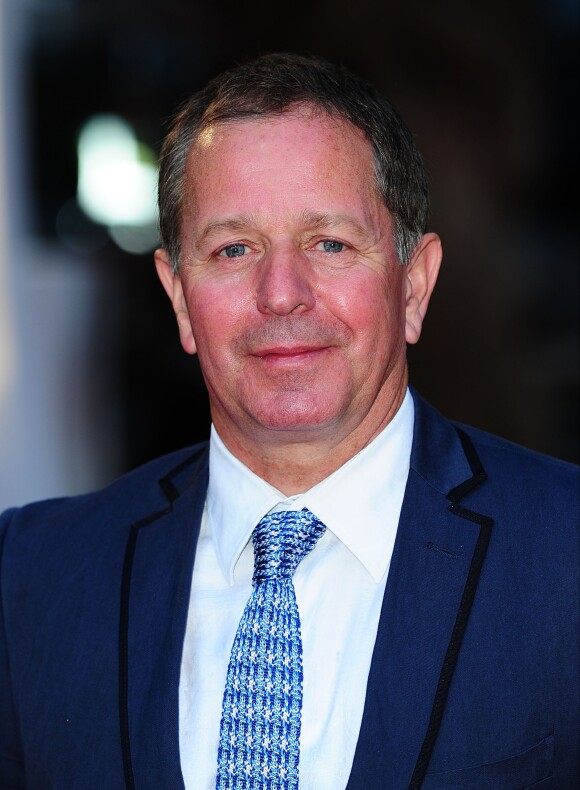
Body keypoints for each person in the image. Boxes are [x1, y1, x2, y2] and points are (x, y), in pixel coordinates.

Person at [0, 53, 577, 790]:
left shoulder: (565, 556)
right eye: (234, 249)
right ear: (178, 297)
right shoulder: (33, 579)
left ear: (414, 286)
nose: (281, 294)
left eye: (329, 244)